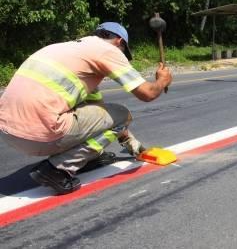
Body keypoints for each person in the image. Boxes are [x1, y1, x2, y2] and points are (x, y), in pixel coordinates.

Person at [0, 22, 173, 195]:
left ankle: (87, 159)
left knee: (104, 114)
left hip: (7, 132)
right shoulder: (108, 50)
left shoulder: (65, 49)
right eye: (123, 52)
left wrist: (131, 144)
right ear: (118, 42)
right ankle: (57, 168)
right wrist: (161, 81)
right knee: (123, 113)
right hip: (39, 135)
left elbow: (99, 113)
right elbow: (147, 94)